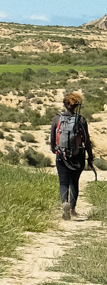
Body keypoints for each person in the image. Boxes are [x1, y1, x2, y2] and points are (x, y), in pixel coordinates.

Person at [51, 91, 94, 220]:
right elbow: (86, 141)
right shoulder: (81, 120)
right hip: (78, 156)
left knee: (63, 182)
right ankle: (73, 210)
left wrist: (55, 150)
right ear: (76, 105)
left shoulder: (57, 119)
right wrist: (90, 157)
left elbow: (52, 138)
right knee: (74, 182)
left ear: (65, 104)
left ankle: (65, 203)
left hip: (61, 156)